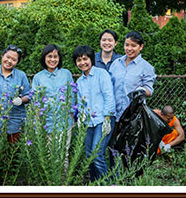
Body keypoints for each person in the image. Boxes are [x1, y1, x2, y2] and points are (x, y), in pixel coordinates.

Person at [73, 45, 115, 181]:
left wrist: (108, 117)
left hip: (103, 120)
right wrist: (80, 116)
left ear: (91, 59)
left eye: (85, 59)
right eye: (79, 60)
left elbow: (109, 96)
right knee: (88, 155)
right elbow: (80, 101)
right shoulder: (79, 81)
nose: (82, 63)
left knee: (97, 155)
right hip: (87, 122)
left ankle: (108, 185)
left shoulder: (101, 74)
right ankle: (94, 184)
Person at [109, 31, 156, 121]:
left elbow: (149, 90)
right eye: (127, 45)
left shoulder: (147, 67)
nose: (129, 48)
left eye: (133, 45)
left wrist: (141, 91)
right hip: (113, 114)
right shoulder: (116, 63)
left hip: (133, 117)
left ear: (141, 47)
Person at [31, 44, 74, 134]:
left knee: (64, 148)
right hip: (46, 122)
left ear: (59, 58)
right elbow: (35, 99)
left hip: (64, 121)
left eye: (55, 56)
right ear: (44, 58)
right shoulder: (38, 77)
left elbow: (71, 95)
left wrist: (71, 113)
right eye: (49, 56)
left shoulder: (66, 74)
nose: (53, 60)